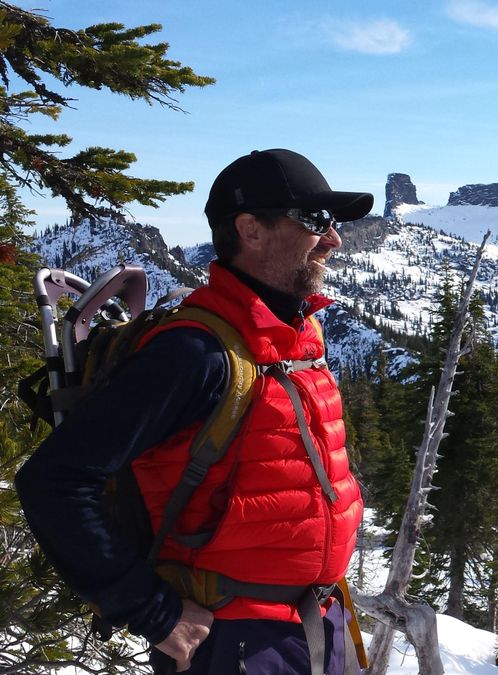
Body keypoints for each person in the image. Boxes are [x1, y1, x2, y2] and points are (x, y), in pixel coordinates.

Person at [16, 149, 370, 674]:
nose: (333, 238)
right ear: (250, 229)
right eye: (314, 220)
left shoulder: (292, 339)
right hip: (235, 641)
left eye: (333, 222)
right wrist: (153, 614)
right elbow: (53, 480)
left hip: (311, 626)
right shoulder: (195, 352)